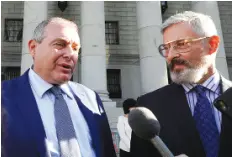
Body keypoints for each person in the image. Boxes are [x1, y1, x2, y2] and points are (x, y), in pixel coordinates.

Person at [1, 17, 116, 157]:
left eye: (75, 48)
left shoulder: (91, 98)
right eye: (60, 44)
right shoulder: (4, 95)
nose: (70, 55)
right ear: (33, 48)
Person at [130, 11, 232, 157]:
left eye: (181, 44)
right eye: (166, 48)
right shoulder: (150, 105)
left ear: (212, 44)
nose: (170, 55)